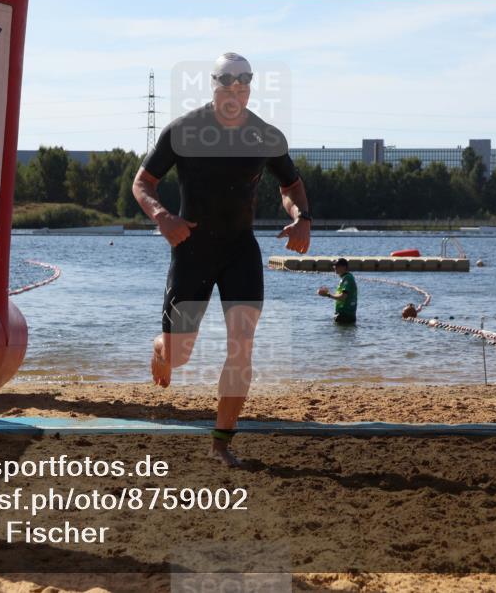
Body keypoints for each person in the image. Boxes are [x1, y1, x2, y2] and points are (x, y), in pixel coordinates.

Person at [132, 52, 312, 467]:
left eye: (243, 86)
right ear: (213, 86)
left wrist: (302, 218)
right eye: (227, 86)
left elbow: (292, 186)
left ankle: (221, 444)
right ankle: (160, 352)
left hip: (239, 250)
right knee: (180, 353)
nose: (235, 93)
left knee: (241, 348)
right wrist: (163, 217)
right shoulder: (184, 131)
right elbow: (143, 182)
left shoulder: (266, 136)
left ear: (249, 89)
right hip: (192, 248)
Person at [317, 258, 357, 324]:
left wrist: (327, 295)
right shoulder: (345, 278)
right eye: (334, 265)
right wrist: (327, 292)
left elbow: (343, 297)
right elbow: (341, 296)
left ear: (344, 267)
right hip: (343, 314)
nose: (335, 267)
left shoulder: (347, 278)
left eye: (337, 266)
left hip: (345, 315)